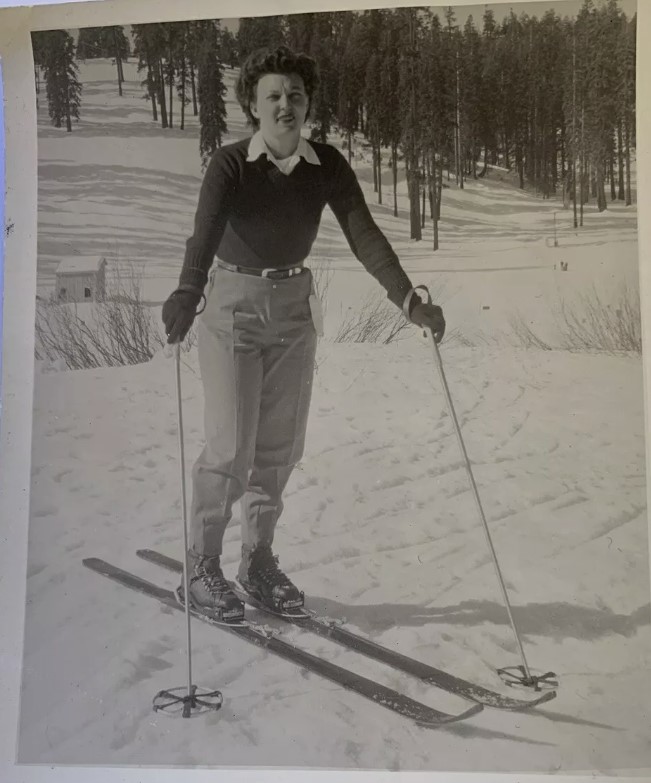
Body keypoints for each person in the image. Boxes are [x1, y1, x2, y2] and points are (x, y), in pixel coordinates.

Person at [162, 45, 445, 622]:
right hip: (234, 309)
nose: (285, 105)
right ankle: (201, 563)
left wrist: (407, 298)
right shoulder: (231, 164)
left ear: (307, 102)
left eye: (294, 94)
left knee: (279, 447)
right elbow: (204, 235)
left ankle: (257, 561)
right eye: (273, 96)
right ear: (253, 106)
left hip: (294, 308)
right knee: (230, 444)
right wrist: (188, 293)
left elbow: (365, 235)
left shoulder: (328, 166)